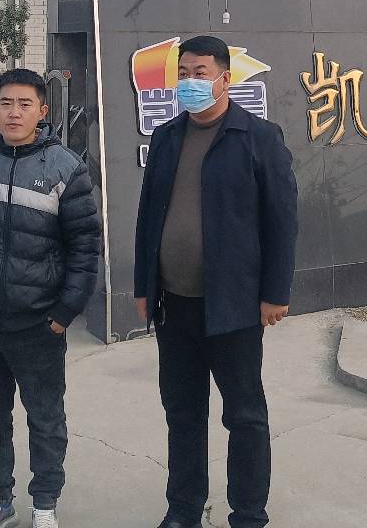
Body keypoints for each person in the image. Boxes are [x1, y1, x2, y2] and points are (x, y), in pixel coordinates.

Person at [133, 35, 299, 528]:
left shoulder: (258, 137)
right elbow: (148, 217)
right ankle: (183, 510)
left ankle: (248, 513)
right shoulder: (167, 137)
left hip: (233, 306)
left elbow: (282, 220)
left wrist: (275, 293)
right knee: (182, 413)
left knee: (244, 415)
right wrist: (143, 287)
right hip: (174, 304)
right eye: (183, 73)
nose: (189, 81)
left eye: (200, 73)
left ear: (225, 79)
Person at [0, 68, 102, 528]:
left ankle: (45, 503)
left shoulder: (65, 169)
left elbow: (85, 247)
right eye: (6, 103)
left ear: (42, 111)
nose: (14, 113)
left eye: (25, 104)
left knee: (46, 418)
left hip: (37, 325)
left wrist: (65, 311)